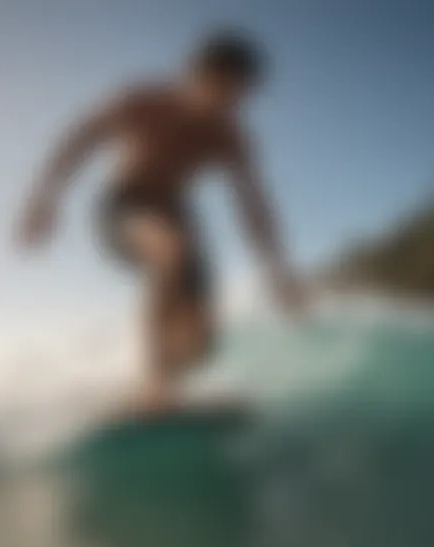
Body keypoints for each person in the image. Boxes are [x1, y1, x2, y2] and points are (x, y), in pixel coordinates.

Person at [17, 30, 305, 411]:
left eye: (238, 97)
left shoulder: (228, 135)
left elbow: (254, 206)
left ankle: (158, 382)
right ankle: (153, 384)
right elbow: (79, 139)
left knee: (199, 345)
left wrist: (277, 270)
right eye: (221, 91)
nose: (227, 105)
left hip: (177, 211)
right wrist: (45, 199)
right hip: (124, 206)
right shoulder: (140, 101)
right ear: (194, 75)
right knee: (169, 247)